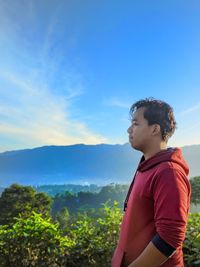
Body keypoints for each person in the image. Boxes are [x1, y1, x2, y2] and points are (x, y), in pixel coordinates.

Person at [111, 98, 191, 267]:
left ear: (155, 129)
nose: (129, 129)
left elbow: (171, 236)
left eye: (135, 123)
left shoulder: (169, 172)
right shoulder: (148, 166)